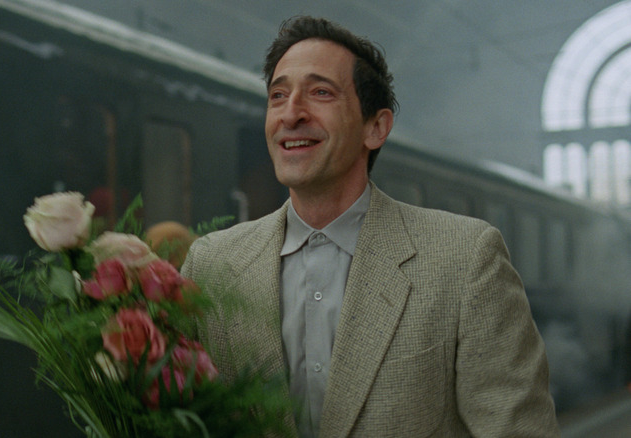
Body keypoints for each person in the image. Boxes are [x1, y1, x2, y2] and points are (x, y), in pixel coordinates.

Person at [181, 16, 559, 438]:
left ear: (375, 128)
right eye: (278, 95)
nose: (291, 114)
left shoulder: (466, 259)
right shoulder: (210, 265)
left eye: (320, 92)